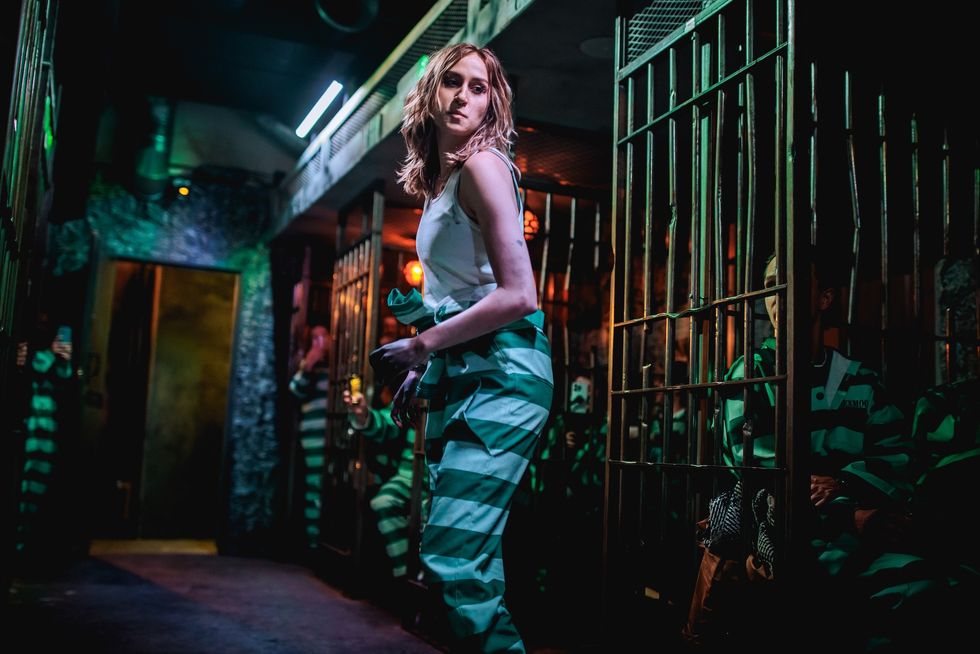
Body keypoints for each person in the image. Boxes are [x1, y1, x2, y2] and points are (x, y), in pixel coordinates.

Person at [369, 43, 554, 653]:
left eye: (479, 88)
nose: (463, 96)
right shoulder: (442, 181)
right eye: (452, 82)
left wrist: (422, 346)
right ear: (430, 93)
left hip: (504, 374)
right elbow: (464, 292)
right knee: (463, 554)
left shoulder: (484, 168)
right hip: (469, 372)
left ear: (492, 104)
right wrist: (431, 367)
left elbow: (519, 293)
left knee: (453, 553)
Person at [684, 250, 913, 645]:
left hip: (855, 540)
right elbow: (762, 474)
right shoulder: (750, 375)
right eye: (770, 287)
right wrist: (851, 515)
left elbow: (899, 456)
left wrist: (842, 483)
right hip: (781, 542)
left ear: (825, 298)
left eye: (788, 284)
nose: (776, 296)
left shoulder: (861, 380)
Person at [342, 384, 428, 580]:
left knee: (430, 521)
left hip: (443, 476)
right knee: (384, 501)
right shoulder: (419, 379)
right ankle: (406, 578)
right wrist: (364, 415)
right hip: (411, 473)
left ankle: (421, 584)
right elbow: (392, 419)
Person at [16, 323, 74, 559]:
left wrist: (61, 358)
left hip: (43, 425)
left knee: (35, 487)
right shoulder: (29, 343)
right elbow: (31, 367)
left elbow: (63, 375)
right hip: (31, 422)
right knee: (24, 485)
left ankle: (23, 543)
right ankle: (18, 544)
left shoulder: (50, 349)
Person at [288, 324, 331, 549]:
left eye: (323, 336)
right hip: (313, 438)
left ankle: (328, 541)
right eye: (314, 338)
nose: (320, 342)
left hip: (335, 438)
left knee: (332, 487)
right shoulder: (306, 367)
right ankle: (313, 544)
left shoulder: (338, 367)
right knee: (315, 487)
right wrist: (308, 367)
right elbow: (294, 391)